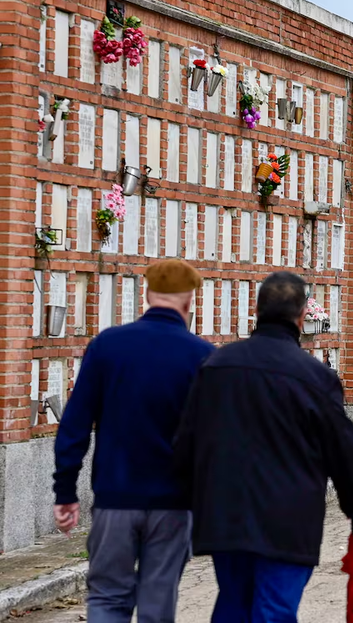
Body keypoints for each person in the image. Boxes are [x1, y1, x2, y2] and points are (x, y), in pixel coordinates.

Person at [174, 272, 353, 620]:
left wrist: (188, 498)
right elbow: (343, 446)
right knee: (274, 610)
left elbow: (187, 438)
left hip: (226, 513)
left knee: (234, 603)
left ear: (257, 310)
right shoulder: (315, 377)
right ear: (302, 315)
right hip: (289, 518)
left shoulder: (216, 365)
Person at [52, 260, 212, 622]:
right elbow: (215, 438)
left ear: (147, 294)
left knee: (107, 598)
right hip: (175, 503)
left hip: (115, 498)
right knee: (158, 601)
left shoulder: (108, 346)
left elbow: (75, 424)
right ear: (190, 300)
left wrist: (65, 492)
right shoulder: (202, 356)